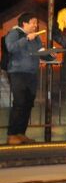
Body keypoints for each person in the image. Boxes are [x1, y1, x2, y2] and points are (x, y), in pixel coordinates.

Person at [4, 13, 44, 145]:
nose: (35, 25)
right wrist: (26, 39)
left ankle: (21, 133)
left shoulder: (36, 37)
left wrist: (51, 54)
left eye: (36, 23)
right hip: (17, 73)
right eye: (33, 22)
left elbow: (41, 51)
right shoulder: (14, 33)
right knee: (19, 103)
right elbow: (10, 48)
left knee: (28, 104)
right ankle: (12, 134)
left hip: (32, 74)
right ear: (24, 23)